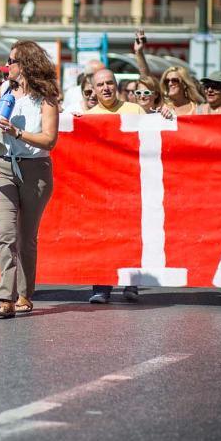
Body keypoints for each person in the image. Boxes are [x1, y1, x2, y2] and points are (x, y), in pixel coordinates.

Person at [0, 41, 59, 318]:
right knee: (6, 235)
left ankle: (25, 293)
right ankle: (6, 297)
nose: (6, 65)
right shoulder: (5, 89)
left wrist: (16, 132)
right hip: (1, 166)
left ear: (26, 64)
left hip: (35, 170)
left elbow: (49, 139)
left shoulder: (46, 98)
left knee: (26, 239)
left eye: (11, 61)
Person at [83, 69, 150, 304]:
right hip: (100, 187)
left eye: (110, 83)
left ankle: (132, 285)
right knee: (101, 237)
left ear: (117, 85)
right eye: (100, 85)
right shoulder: (87, 116)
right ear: (93, 89)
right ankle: (101, 287)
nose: (106, 88)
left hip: (130, 184)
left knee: (131, 235)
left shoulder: (135, 110)